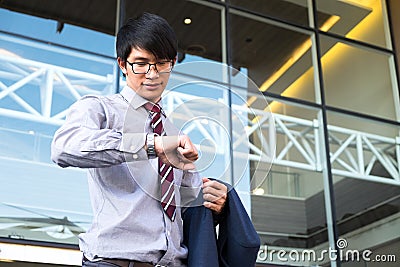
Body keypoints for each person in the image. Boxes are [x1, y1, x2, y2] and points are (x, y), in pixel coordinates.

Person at [51, 12, 228, 267]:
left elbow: (184, 205)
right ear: (123, 64)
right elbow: (63, 147)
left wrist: (213, 201)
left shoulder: (174, 131)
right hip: (114, 261)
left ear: (173, 63)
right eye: (141, 63)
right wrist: (151, 145)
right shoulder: (101, 109)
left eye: (161, 63)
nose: (152, 74)